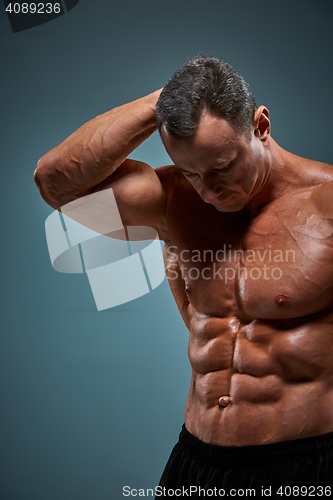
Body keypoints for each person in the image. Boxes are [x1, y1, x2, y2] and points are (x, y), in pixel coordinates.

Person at [34, 57, 333, 496]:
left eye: (221, 168)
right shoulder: (171, 200)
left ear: (261, 126)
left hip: (304, 467)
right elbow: (54, 184)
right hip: (197, 460)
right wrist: (163, 101)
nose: (208, 192)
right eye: (192, 171)